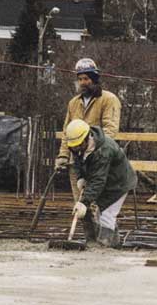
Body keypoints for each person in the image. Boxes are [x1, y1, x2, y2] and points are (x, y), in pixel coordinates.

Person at [55, 58, 121, 202]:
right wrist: (63, 155)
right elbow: (67, 132)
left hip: (97, 162)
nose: (83, 82)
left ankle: (102, 225)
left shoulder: (108, 100)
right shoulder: (73, 103)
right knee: (80, 206)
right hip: (76, 163)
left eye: (86, 78)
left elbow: (110, 130)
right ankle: (86, 225)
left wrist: (95, 153)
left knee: (98, 204)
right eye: (80, 79)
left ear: (94, 79)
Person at [65, 119, 137, 248]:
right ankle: (113, 245)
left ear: (87, 138)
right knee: (100, 212)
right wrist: (81, 177)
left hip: (119, 183)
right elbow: (78, 162)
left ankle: (105, 246)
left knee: (107, 214)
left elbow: (98, 180)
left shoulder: (103, 151)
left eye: (78, 146)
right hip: (106, 181)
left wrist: (84, 202)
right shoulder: (78, 147)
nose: (76, 149)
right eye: (73, 147)